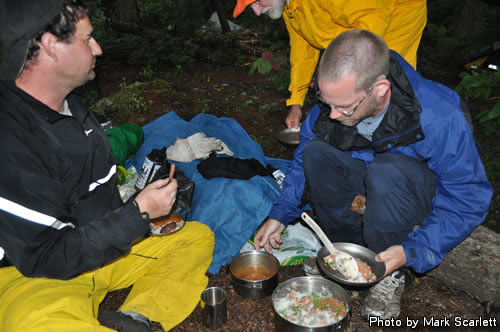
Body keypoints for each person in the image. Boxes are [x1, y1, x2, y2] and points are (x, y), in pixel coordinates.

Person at [0, 1, 214, 331]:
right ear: (51, 46)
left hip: (95, 252)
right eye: (88, 39)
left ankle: (135, 318)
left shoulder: (72, 107)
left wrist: (142, 210)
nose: (98, 48)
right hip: (36, 274)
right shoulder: (13, 140)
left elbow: (97, 203)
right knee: (39, 324)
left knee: (196, 238)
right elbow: (45, 256)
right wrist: (138, 213)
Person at [253, 29, 493, 319]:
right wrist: (280, 213)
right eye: (326, 102)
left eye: (343, 106)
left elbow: (468, 195)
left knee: (386, 170)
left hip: (413, 194)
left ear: (380, 89)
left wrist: (415, 249)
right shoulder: (334, 105)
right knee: (317, 152)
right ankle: (345, 252)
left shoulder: (439, 115)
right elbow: (303, 159)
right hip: (368, 181)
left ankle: (392, 271)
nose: (332, 115)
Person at [233, 0, 428, 129]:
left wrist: (348, 69)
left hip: (397, 16)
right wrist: (296, 102)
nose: (257, 12)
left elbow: (373, 15)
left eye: (256, 2)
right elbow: (303, 54)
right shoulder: (292, 9)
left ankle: (400, 140)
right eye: (252, 7)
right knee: (351, 94)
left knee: (386, 82)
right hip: (358, 28)